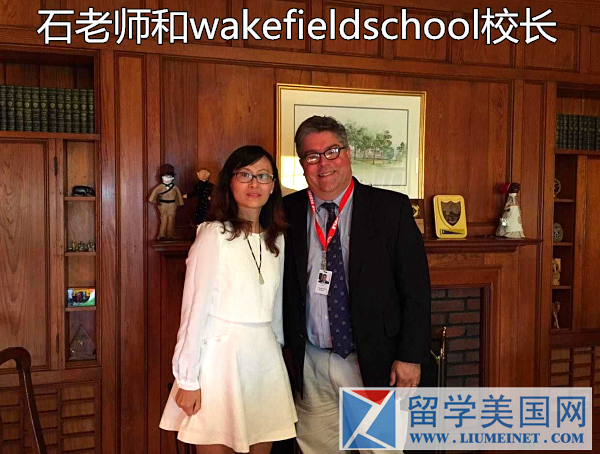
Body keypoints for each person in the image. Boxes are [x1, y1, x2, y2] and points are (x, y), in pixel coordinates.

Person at [282, 116, 431, 454]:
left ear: (348, 153)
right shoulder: (287, 212)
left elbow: (417, 291)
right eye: (312, 156)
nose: (323, 164)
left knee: (379, 449)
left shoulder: (390, 209)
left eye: (332, 151)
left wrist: (411, 356)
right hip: (312, 363)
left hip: (373, 361)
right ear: (303, 164)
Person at [160, 146, 297, 454]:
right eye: (244, 175)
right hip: (219, 362)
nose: (254, 183)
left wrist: (278, 351)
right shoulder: (213, 234)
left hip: (264, 360)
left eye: (263, 176)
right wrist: (187, 379)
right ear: (230, 183)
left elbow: (275, 308)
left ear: (273, 186)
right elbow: (194, 310)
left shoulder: (277, 238)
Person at [149, 163, 184, 240]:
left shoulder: (175, 188)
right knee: (163, 219)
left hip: (172, 205)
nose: (167, 179)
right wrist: (156, 202)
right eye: (165, 177)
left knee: (171, 220)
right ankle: (162, 235)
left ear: (172, 178)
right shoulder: (159, 187)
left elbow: (179, 196)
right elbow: (153, 195)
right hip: (163, 205)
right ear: (162, 177)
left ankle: (170, 235)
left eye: (169, 177)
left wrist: (179, 203)